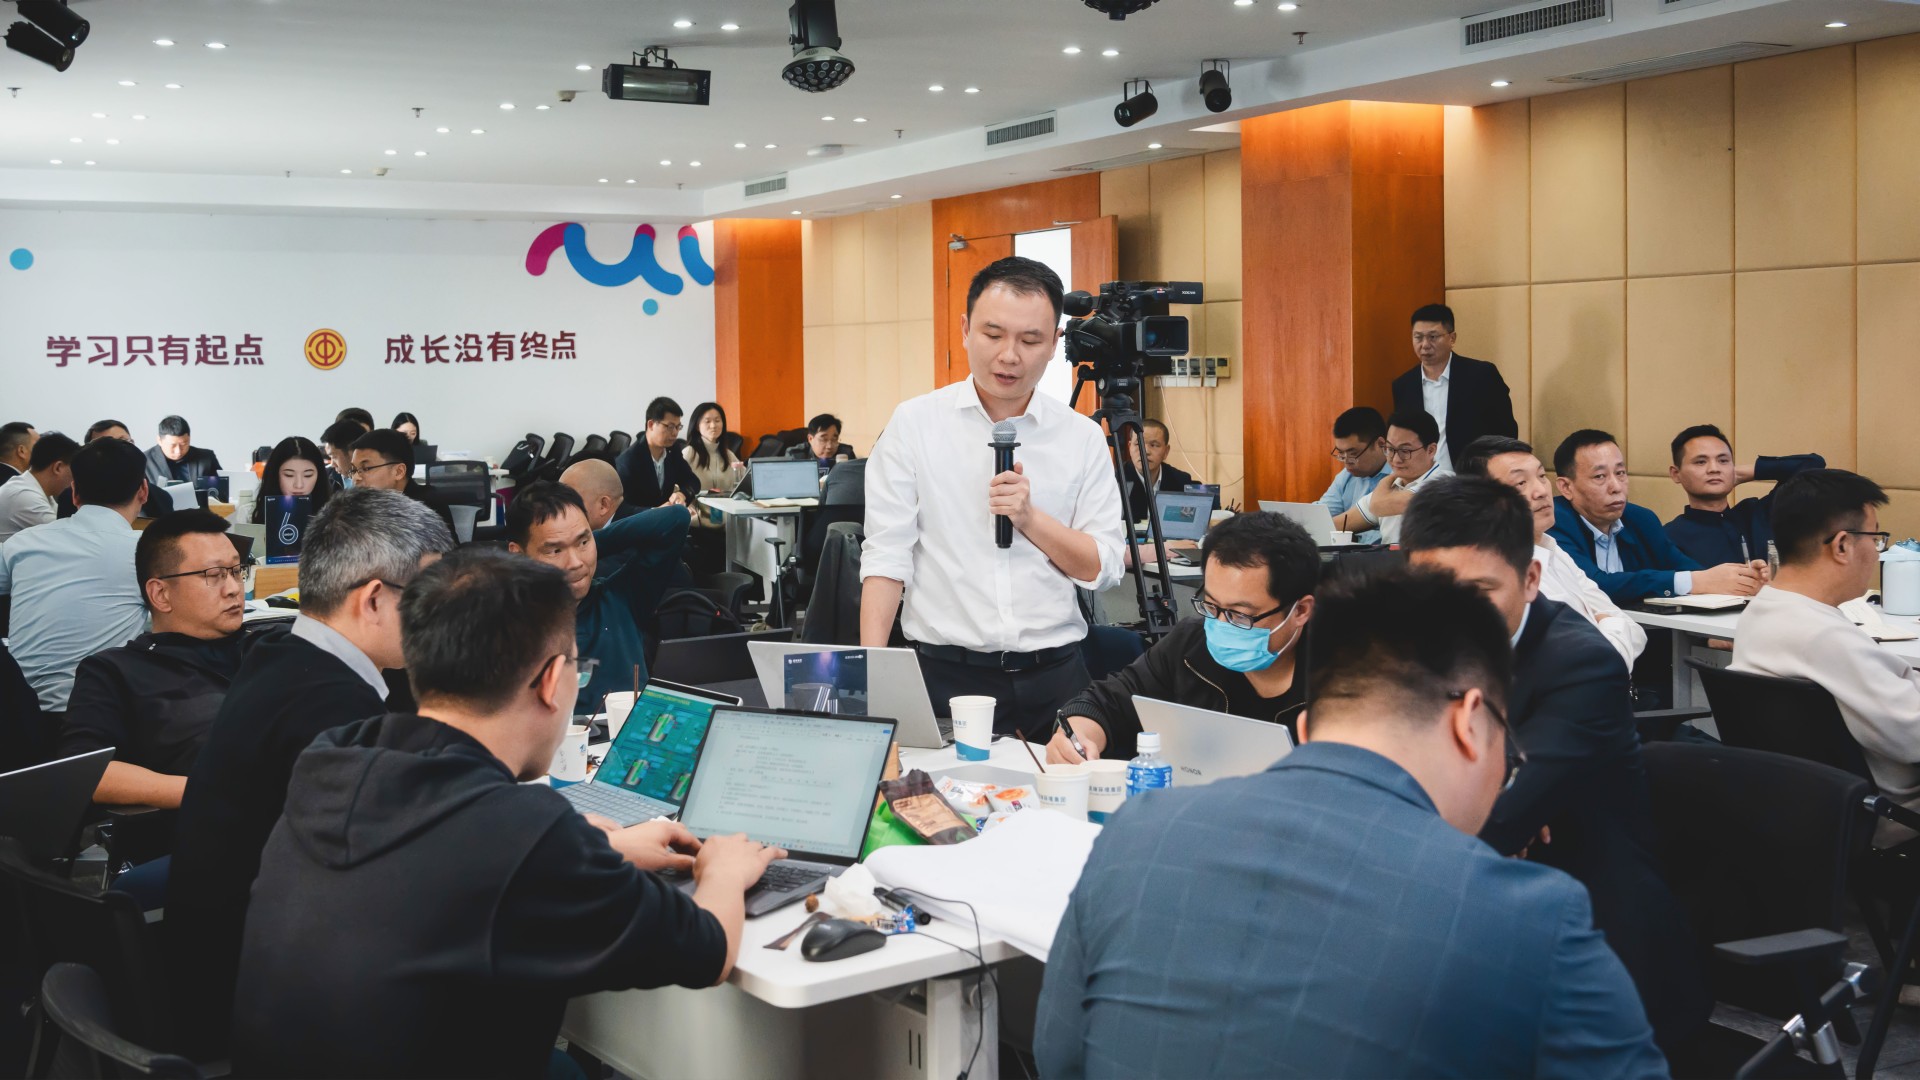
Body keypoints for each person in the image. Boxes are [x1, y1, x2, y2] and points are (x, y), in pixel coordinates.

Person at [1034, 566, 1665, 1078]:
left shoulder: (1139, 832)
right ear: (1469, 722)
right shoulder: (1531, 915)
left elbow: (1057, 1056)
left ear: (1307, 729)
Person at [229, 549, 781, 1078]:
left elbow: (440, 857)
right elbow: (706, 951)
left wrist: (592, 847)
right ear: (550, 681)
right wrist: (723, 871)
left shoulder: (336, 758)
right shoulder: (524, 832)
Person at [1401, 476, 1709, 1054]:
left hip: (1587, 936)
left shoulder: (1581, 663)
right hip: (1469, 914)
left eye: (1480, 590)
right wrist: (1483, 797)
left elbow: (1496, 820)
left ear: (1531, 579)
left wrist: (1486, 801)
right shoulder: (1410, 648)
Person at [166, 488, 454, 1057]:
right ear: (374, 599)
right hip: (270, 1011)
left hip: (221, 968)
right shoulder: (334, 709)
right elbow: (409, 875)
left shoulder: (278, 655)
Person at [861, 256, 1125, 738]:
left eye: (1030, 340)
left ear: (1054, 344)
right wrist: (875, 677)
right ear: (965, 330)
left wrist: (1030, 519)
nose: (1009, 356)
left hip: (1057, 677)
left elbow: (1102, 568)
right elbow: (886, 556)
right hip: (945, 676)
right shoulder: (915, 424)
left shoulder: (1082, 437)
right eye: (993, 334)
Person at [1732, 470, 1920, 841]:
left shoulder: (1762, 612)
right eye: (1876, 538)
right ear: (1842, 546)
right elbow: (1913, 736)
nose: (1877, 552)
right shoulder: (1825, 636)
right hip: (1886, 813)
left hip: (1806, 809)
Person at [1048, 512, 1316, 763]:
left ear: (1301, 611)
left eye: (1240, 615)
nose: (1221, 625)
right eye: (1211, 606)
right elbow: (1109, 701)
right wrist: (1077, 735)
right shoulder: (1190, 645)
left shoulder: (1335, 679)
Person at [57, 509, 249, 809]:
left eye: (237, 571)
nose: (234, 588)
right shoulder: (116, 672)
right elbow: (87, 771)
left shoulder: (267, 646)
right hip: (219, 822)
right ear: (160, 594)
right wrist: (209, 792)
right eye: (214, 575)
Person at [1459, 435, 1646, 666]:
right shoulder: (1499, 575)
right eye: (1520, 483)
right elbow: (1589, 663)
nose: (1540, 491)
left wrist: (1604, 626)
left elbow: (1634, 631)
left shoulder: (1551, 548)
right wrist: (1606, 623)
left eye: (1541, 476)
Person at [0, 437, 150, 721]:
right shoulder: (149, 552)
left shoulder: (23, 543)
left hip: (17, 715)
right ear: (143, 490)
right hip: (98, 716)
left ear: (74, 493)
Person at [506, 481, 690, 709]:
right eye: (555, 550)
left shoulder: (621, 598)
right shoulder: (504, 625)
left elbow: (675, 519)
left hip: (627, 731)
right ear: (518, 555)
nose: (575, 563)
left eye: (583, 541)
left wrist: (592, 545)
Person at [1548, 429, 1764, 604]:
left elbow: (1687, 569)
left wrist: (1743, 580)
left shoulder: (1641, 519)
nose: (1616, 487)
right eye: (1599, 476)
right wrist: (1696, 581)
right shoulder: (1553, 522)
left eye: (1620, 473)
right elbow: (1593, 585)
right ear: (1566, 487)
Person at [1665, 423, 1825, 568]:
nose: (1714, 469)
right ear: (1676, 474)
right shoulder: (1669, 537)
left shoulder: (1758, 513)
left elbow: (1812, 465)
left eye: (1723, 461)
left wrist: (1741, 474)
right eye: (1701, 462)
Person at [1390, 303, 1518, 474]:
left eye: (1433, 337)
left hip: (1472, 478)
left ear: (1452, 338)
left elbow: (1505, 432)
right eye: (1418, 337)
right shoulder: (1404, 385)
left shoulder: (1481, 375)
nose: (1425, 345)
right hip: (1423, 481)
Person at [1330, 408, 1450, 544]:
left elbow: (1378, 505)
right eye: (1391, 449)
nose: (1396, 459)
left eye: (1405, 451)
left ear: (1431, 450)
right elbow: (1337, 524)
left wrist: (1387, 480)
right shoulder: (1391, 486)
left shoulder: (1446, 483)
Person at [349, 427, 454, 531]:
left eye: (366, 468)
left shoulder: (426, 508)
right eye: (353, 470)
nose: (356, 478)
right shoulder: (362, 506)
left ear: (399, 472)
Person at [1316, 406, 1390, 545]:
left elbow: (1391, 536)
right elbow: (1319, 516)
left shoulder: (1401, 476)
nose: (1346, 461)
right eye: (1341, 453)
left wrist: (1349, 534)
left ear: (1381, 444)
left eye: (1353, 453)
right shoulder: (1345, 476)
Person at [615, 396, 701, 509]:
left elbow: (693, 481)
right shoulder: (628, 461)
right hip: (641, 519)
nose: (675, 432)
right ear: (651, 424)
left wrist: (682, 494)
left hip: (666, 518)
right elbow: (621, 507)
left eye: (678, 427)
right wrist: (654, 512)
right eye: (670, 426)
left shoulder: (673, 450)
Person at [0, 431, 77, 543]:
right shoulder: (24, 495)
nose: (74, 479)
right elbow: (65, 539)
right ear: (58, 467)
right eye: (74, 471)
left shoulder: (35, 488)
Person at [1117, 419, 1194, 523]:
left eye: (1154, 445)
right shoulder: (1114, 481)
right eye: (1138, 444)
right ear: (1129, 447)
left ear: (1166, 451)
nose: (1145, 451)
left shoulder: (1180, 481)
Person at [249, 436, 332, 524]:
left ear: (319, 476)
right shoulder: (250, 513)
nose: (299, 485)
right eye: (289, 475)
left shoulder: (334, 515)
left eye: (308, 475)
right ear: (275, 475)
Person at [145, 414, 223, 488]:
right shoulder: (145, 461)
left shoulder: (207, 458)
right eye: (173, 445)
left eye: (183, 444)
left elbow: (220, 491)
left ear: (189, 438)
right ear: (159, 440)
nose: (178, 451)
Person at [683, 401, 745, 493]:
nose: (713, 426)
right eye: (707, 421)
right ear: (697, 426)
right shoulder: (689, 453)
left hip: (725, 502)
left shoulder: (729, 455)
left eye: (717, 421)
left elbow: (747, 479)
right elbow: (676, 486)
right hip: (696, 502)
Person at [785, 412, 856, 479]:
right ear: (810, 439)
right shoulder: (795, 454)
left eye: (834, 439)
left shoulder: (846, 453)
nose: (829, 446)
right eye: (824, 439)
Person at [320, 419, 366, 492]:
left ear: (353, 452)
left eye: (334, 457)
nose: (332, 464)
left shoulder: (377, 481)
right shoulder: (326, 479)